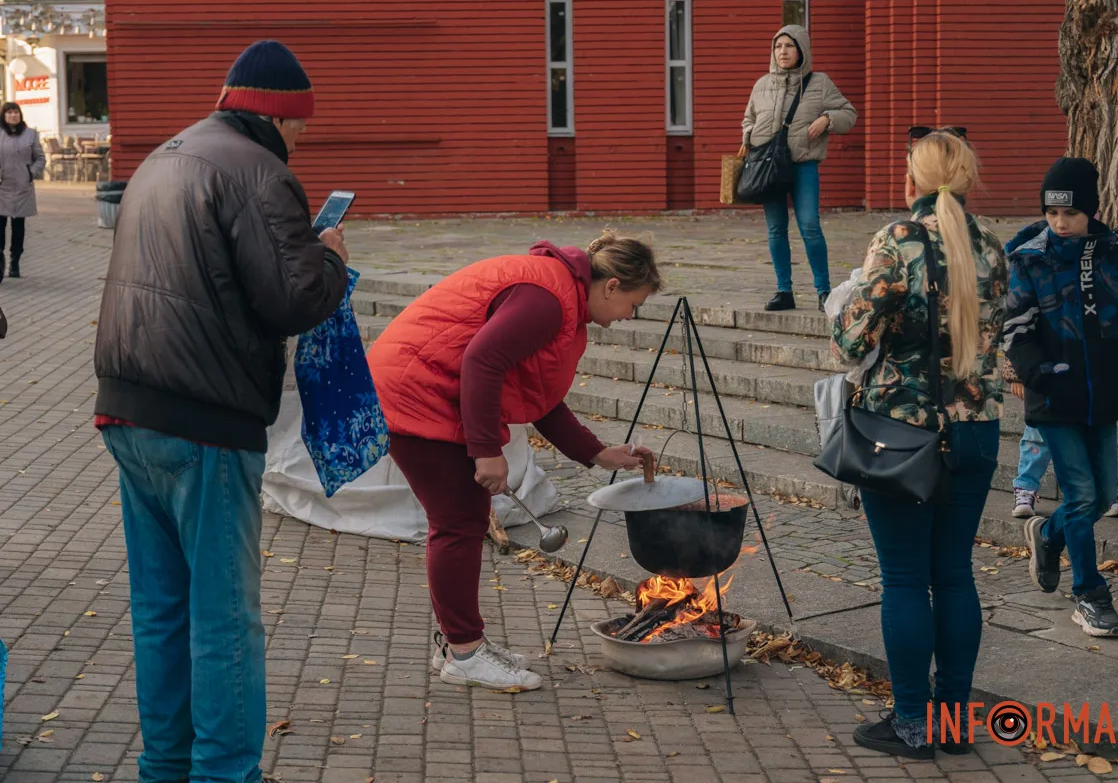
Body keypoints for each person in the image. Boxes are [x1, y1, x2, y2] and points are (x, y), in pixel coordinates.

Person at [93, 41, 349, 782]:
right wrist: (327, 253)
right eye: (302, 125)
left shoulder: (166, 153)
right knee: (224, 618)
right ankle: (224, 774)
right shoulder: (261, 172)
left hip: (128, 410)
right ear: (279, 115)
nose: (303, 140)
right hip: (203, 419)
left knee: (161, 610)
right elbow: (294, 298)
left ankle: (165, 767)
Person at [368, 231, 662, 692]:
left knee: (462, 520)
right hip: (417, 392)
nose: (628, 316)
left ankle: (460, 644)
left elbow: (537, 395)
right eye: (633, 304)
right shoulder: (547, 299)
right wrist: (487, 451)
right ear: (611, 286)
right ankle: (465, 653)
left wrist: (598, 452)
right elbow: (482, 361)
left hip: (428, 389)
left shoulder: (561, 296)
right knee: (458, 524)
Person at [831, 131, 1007, 758]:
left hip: (901, 432)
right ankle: (954, 723)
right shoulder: (990, 245)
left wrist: (842, 306)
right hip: (976, 428)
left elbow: (853, 343)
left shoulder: (898, 241)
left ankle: (911, 723)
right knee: (955, 575)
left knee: (905, 579)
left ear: (915, 179)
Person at [1005, 158, 1118, 638]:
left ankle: (1047, 536)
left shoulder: (1117, 258)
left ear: (1090, 209)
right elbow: (1016, 329)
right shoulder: (1029, 260)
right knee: (1082, 494)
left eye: (1069, 213)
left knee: (1101, 493)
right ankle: (1090, 594)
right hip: (1054, 399)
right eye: (1051, 214)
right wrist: (1039, 374)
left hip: (1103, 398)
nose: (1060, 223)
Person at [740, 25, 857, 313]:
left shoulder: (819, 83)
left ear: (801, 49)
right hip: (769, 167)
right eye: (778, 46)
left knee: (809, 226)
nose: (782, 52)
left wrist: (828, 118)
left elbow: (849, 113)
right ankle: (784, 291)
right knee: (776, 230)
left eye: (789, 46)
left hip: (803, 165)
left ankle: (823, 291)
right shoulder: (762, 85)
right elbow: (748, 119)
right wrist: (749, 135)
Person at [1006, 361, 1118, 519]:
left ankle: (1103, 488)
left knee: (1092, 430)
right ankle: (1025, 487)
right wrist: (1016, 374)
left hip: (1091, 369)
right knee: (1038, 432)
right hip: (1045, 369)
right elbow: (1016, 337)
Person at [0, 102, 46, 282]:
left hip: (22, 186)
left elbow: (40, 158)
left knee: (18, 227)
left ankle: (15, 262)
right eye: (9, 112)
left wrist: (30, 173)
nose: (13, 115)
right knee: (0, 226)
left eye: (16, 112)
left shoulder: (30, 134)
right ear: (3, 116)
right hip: (2, 187)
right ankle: (0, 261)